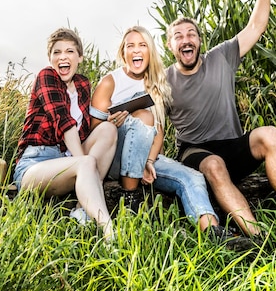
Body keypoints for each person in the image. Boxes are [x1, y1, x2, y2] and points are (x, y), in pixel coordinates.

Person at [165, 0, 276, 237]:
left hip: (232, 145)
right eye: (178, 36)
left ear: (200, 40)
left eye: (191, 34)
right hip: (195, 152)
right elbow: (149, 119)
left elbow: (257, 25)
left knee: (271, 134)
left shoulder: (222, 56)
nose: (185, 40)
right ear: (170, 45)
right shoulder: (163, 80)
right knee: (213, 164)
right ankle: (257, 235)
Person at [90, 25, 256, 251]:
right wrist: (118, 120)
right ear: (123, 52)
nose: (137, 50)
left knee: (193, 177)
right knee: (142, 117)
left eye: (143, 45)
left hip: (147, 156)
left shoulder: (156, 84)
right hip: (114, 158)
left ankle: (214, 233)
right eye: (131, 46)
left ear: (150, 51)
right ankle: (130, 198)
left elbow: (158, 130)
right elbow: (95, 132)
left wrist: (148, 160)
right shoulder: (111, 82)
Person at [13, 27, 117, 241]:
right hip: (35, 164)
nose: (63, 57)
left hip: (67, 158)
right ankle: (109, 232)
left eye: (69, 51)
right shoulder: (46, 76)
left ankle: (81, 211)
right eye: (56, 52)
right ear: (50, 58)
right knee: (85, 163)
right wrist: (84, 162)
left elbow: (86, 129)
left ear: (80, 56)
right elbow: (65, 123)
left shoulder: (82, 84)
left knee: (108, 129)